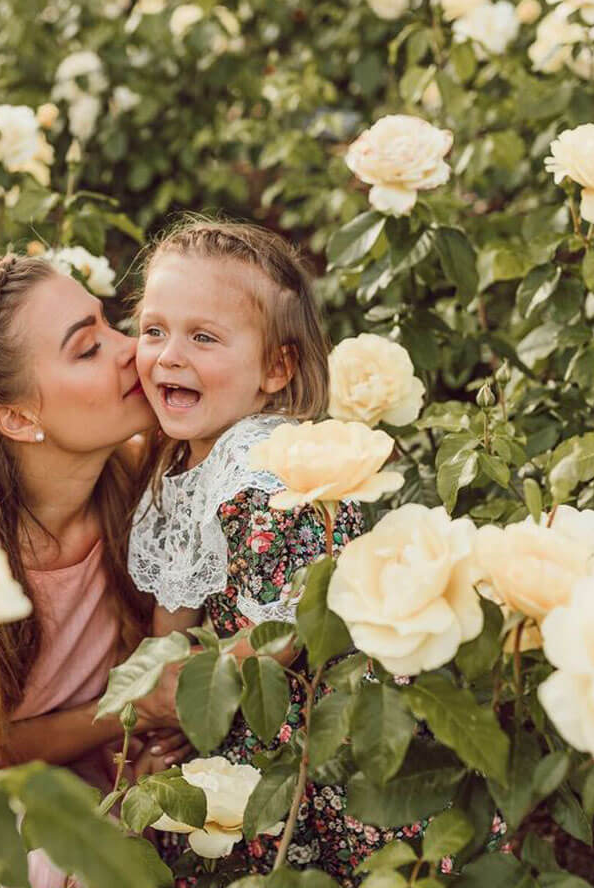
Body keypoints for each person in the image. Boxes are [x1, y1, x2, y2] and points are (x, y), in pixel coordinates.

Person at [128, 220, 427, 882]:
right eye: (154, 330)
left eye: (203, 337)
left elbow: (284, 634)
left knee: (316, 849)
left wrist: (182, 700)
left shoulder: (269, 468)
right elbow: (172, 615)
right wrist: (164, 705)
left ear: (275, 368)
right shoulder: (180, 468)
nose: (170, 355)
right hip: (234, 699)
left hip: (304, 714)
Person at [0, 253, 187, 887]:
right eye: (86, 349)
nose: (131, 350)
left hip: (87, 768)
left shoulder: (146, 479)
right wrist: (134, 711)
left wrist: (145, 751)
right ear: (19, 419)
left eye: (108, 325)